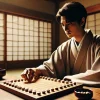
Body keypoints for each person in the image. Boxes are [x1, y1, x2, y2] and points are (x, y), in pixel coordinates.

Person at [21, 2, 100, 83]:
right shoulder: (64, 47)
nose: (65, 29)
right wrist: (36, 70)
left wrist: (70, 79)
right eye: (63, 24)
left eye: (69, 24)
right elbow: (50, 67)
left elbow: (98, 74)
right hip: (68, 90)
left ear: (82, 21)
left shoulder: (98, 44)